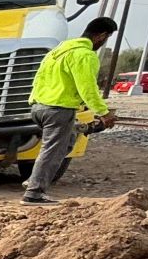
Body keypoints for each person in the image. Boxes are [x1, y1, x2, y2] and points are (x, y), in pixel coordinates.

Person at [24, 16, 119, 205]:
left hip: (38, 106)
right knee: (53, 150)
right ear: (101, 36)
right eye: (105, 38)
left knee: (66, 142)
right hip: (58, 109)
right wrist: (104, 112)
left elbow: (40, 77)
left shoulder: (59, 50)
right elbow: (88, 89)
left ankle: (36, 177)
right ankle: (33, 193)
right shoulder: (85, 55)